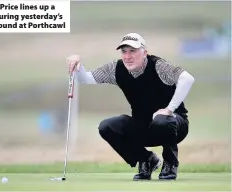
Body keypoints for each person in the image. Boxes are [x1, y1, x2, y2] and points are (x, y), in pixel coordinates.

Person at [67, 33, 195, 181]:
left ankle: (170, 164)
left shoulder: (158, 66)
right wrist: (78, 64)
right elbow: (86, 78)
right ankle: (146, 159)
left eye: (133, 51)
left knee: (162, 119)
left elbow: (187, 79)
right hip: (143, 127)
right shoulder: (116, 68)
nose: (127, 56)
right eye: (124, 51)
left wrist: (169, 109)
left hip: (174, 126)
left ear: (144, 53)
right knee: (106, 126)